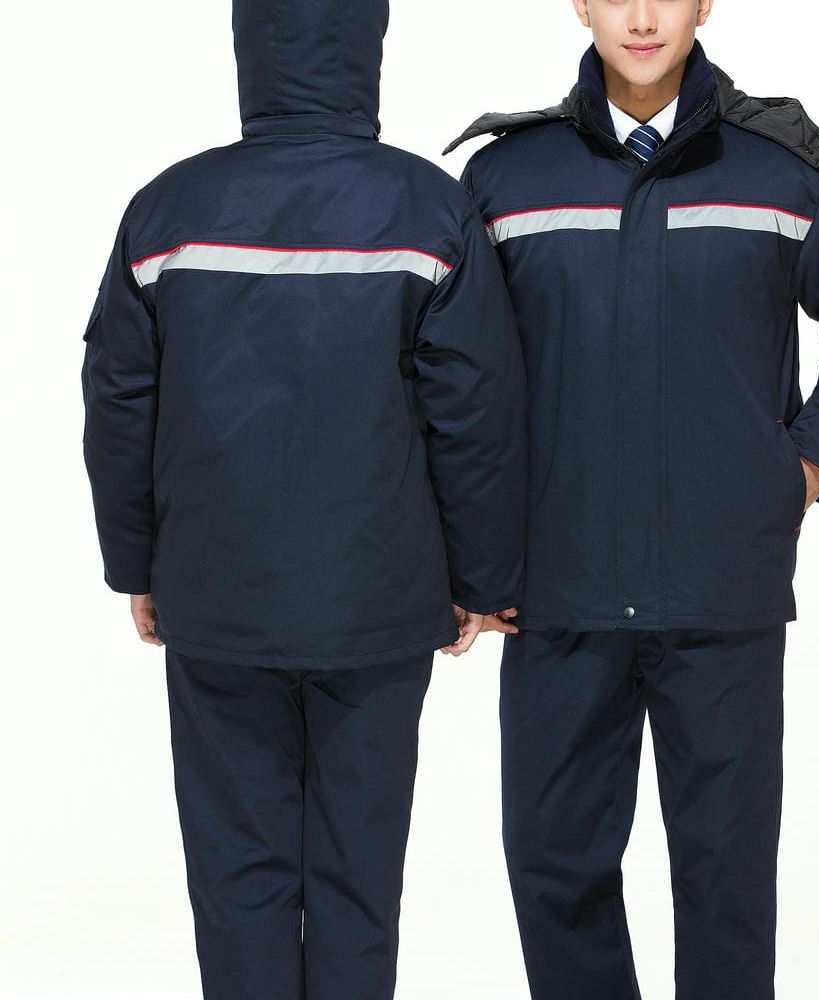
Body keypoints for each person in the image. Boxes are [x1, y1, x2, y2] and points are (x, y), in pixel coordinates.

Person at [444, 1, 819, 997]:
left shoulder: (781, 168)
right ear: (579, 3)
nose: (640, 17)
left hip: (722, 592)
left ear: (704, 3)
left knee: (726, 881)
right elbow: (454, 376)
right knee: (555, 869)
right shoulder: (506, 178)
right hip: (557, 591)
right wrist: (466, 556)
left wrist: (804, 468)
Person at [81, 1, 526, 997]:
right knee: (358, 875)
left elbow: (117, 401)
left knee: (236, 870)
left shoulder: (166, 211)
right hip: (379, 605)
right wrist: (482, 578)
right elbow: (476, 412)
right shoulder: (428, 209)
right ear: (368, 47)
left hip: (216, 598)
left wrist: (136, 564)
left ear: (248, 47)